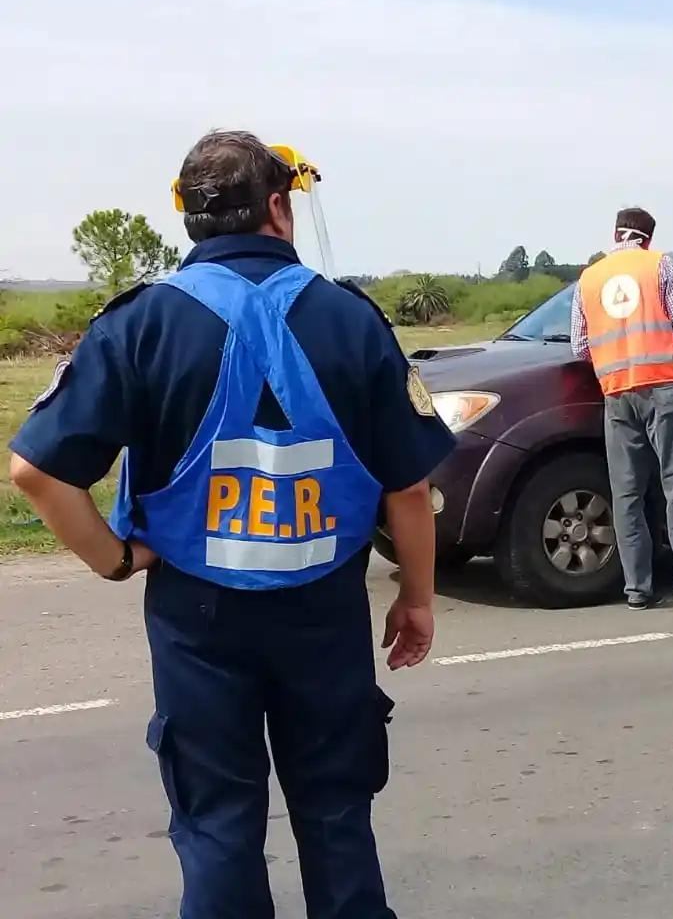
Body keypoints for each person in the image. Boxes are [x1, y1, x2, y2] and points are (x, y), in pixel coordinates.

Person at [8, 130, 457, 918]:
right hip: (325, 611)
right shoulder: (352, 321)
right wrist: (416, 597)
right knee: (337, 818)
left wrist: (116, 561)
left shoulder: (137, 324)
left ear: (189, 218)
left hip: (197, 616)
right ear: (278, 207)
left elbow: (37, 473)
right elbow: (408, 490)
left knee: (217, 828)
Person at [570, 206, 673, 611]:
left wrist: (616, 362)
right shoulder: (660, 266)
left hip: (617, 394)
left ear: (616, 234)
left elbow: (579, 346)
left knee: (627, 496)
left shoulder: (589, 278)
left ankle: (638, 591)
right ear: (648, 238)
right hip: (666, 389)